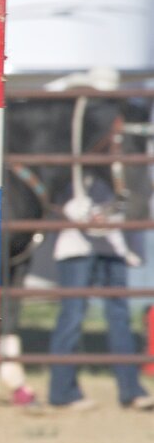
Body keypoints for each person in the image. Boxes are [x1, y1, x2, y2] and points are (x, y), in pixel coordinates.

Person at [46, 173, 153, 411]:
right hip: (76, 242)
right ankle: (62, 392)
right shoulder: (77, 150)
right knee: (72, 315)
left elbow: (136, 195)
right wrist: (82, 214)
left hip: (114, 243)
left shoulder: (119, 162)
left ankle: (131, 390)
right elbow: (56, 192)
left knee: (119, 316)